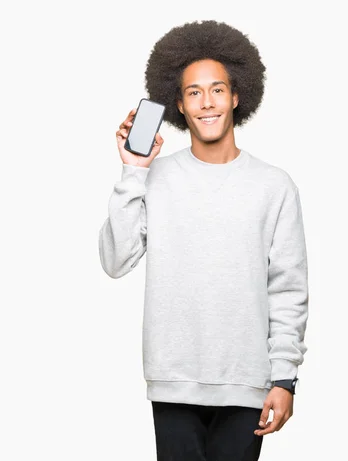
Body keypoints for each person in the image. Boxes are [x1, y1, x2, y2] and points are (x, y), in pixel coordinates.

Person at [98, 20, 309, 461]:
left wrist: (284, 379)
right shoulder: (155, 179)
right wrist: (133, 170)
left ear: (236, 96)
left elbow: (288, 288)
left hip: (246, 382)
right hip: (174, 378)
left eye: (217, 89)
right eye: (194, 92)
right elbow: (115, 261)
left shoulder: (274, 185)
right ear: (178, 104)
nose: (207, 102)